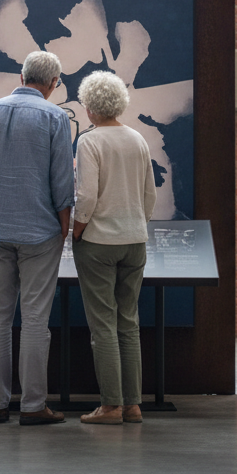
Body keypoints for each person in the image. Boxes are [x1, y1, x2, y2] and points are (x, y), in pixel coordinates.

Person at [0, 50, 74, 426]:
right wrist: (65, 225)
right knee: (34, 320)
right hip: (39, 232)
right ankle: (32, 406)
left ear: (22, 74)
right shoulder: (55, 117)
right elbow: (62, 181)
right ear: (55, 83)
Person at [71, 71, 156, 425]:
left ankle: (110, 406)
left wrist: (77, 231)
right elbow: (150, 195)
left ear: (89, 108)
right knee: (128, 323)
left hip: (99, 243)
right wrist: (137, 222)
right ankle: (133, 404)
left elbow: (86, 196)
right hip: (135, 242)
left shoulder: (90, 142)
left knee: (103, 325)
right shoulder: (137, 139)